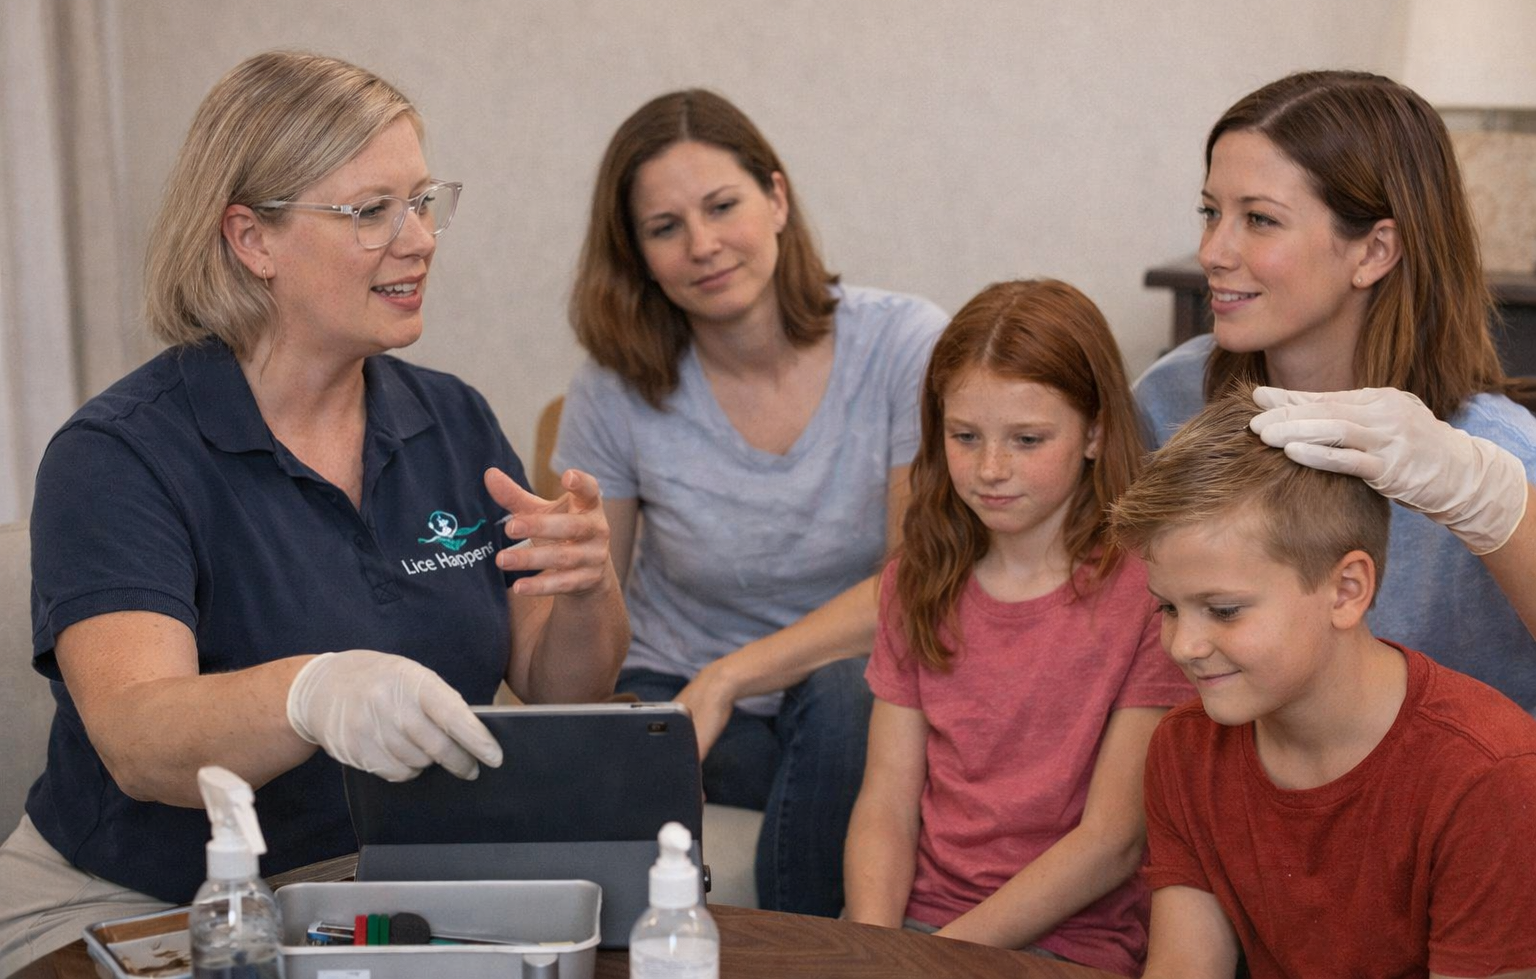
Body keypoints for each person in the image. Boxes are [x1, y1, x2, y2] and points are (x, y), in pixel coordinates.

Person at [0, 50, 628, 973]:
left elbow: (556, 688)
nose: (419, 239)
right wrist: (309, 694)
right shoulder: (120, 455)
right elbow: (139, 739)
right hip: (144, 901)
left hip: (375, 892)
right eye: (371, 212)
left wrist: (585, 586)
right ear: (252, 240)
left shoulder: (452, 419)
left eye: (423, 201)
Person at [554, 88, 947, 915]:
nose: (703, 245)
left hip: (839, 682)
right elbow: (596, 613)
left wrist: (732, 676)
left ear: (776, 197)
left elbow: (917, 582)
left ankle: (812, 963)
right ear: (639, 255)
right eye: (665, 228)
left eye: (722, 205)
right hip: (677, 692)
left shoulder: (903, 345)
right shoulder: (613, 389)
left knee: (850, 701)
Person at [1133, 69, 1536, 710]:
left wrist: (1492, 507)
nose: (1213, 250)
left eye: (1260, 219)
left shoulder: (1494, 455)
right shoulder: (1168, 400)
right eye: (1211, 212)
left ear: (1375, 251)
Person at [1111, 386, 1536, 979]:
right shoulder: (1186, 751)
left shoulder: (1491, 778)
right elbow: (1185, 966)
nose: (1184, 647)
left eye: (1225, 610)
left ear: (1346, 591)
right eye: (1168, 609)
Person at [841, 280, 1191, 976]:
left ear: (1095, 432)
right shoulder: (919, 577)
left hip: (1067, 943)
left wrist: (930, 960)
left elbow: (1112, 842)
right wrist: (877, 948)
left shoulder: (1152, 591)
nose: (991, 470)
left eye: (1027, 440)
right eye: (964, 437)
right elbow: (885, 802)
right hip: (915, 929)